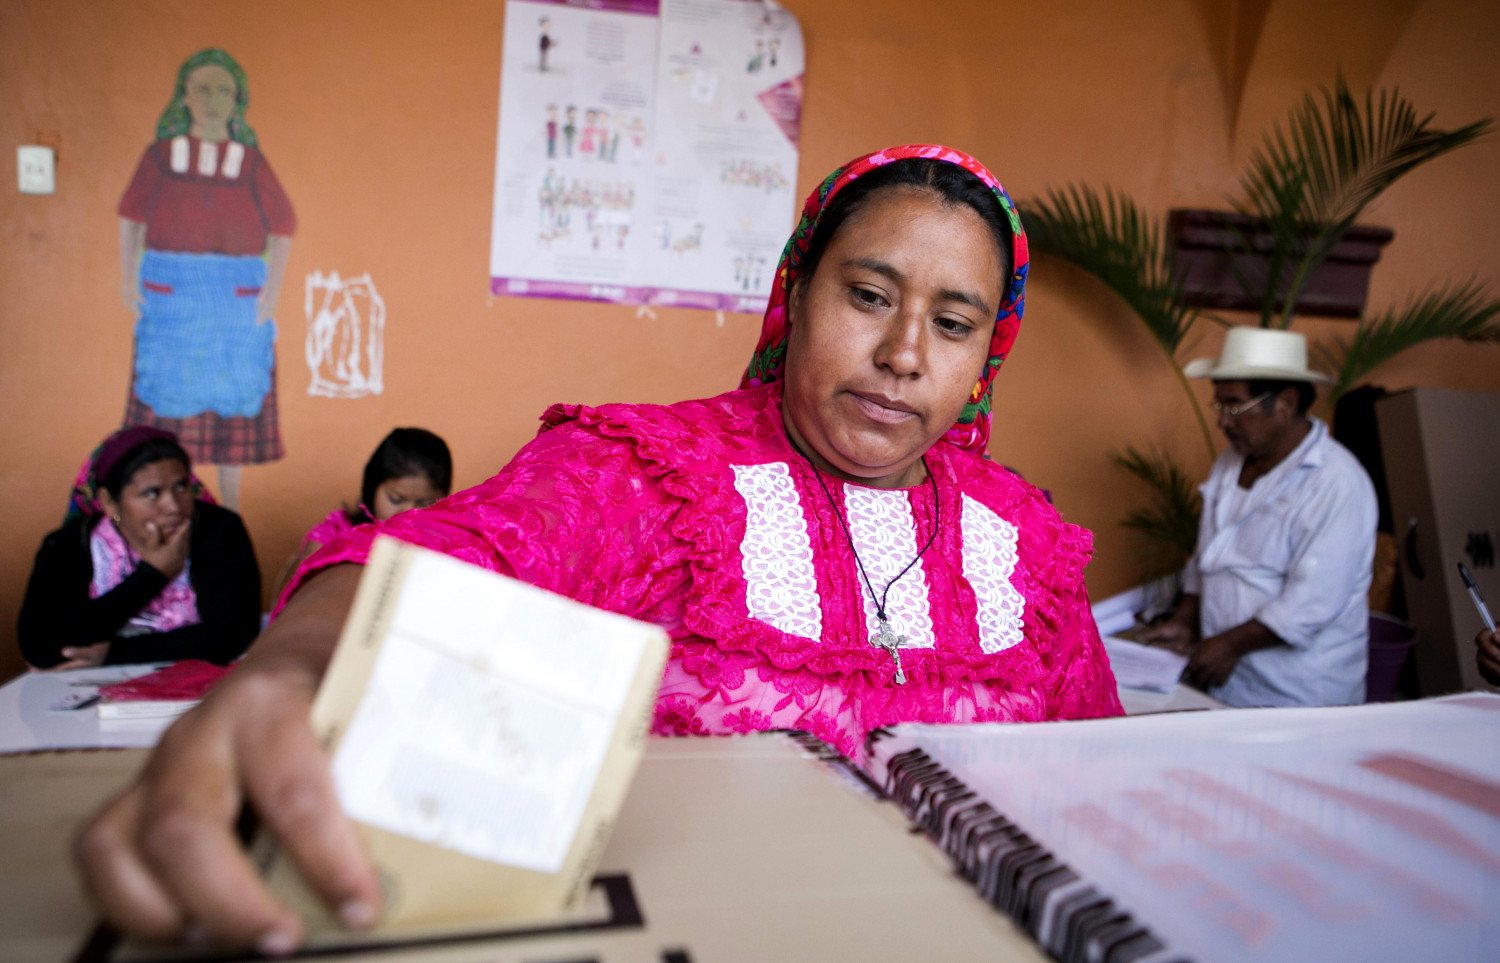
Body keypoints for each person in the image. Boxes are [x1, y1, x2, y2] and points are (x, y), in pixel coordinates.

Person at [76, 145, 1121, 951]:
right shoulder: (655, 474)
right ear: (796, 293)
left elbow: (1108, 790)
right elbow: (435, 555)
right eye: (868, 296)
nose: (902, 355)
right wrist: (304, 663)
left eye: (953, 323)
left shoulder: (1024, 544)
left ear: (989, 356)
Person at [1139, 327, 1378, 707]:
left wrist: (1230, 645)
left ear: (1284, 402)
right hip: (1227, 679)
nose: (1224, 421)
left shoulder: (1337, 483)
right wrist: (1185, 621)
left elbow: (1312, 604)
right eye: (1219, 406)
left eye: (1234, 406)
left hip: (1297, 694)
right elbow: (1209, 555)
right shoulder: (1229, 464)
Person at [118, 48, 296, 510]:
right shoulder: (162, 157)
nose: (212, 99)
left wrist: (271, 293)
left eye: (223, 90)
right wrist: (127, 279)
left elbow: (283, 226)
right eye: (202, 89)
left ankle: (229, 510)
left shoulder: (250, 162)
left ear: (238, 100)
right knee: (170, 402)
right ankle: (171, 504)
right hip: (171, 296)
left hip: (235, 301)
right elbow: (132, 218)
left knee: (231, 404)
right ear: (184, 98)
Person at [18, 427, 262, 669]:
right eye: (152, 493)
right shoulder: (69, 545)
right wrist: (154, 573)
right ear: (109, 502)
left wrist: (114, 653)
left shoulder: (219, 530)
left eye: (181, 487)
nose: (173, 506)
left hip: (202, 685)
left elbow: (231, 635)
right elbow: (43, 647)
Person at [270, 428, 452, 600]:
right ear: (371, 488)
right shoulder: (334, 535)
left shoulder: (450, 544)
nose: (407, 513)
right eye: (396, 499)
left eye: (426, 504)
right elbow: (299, 597)